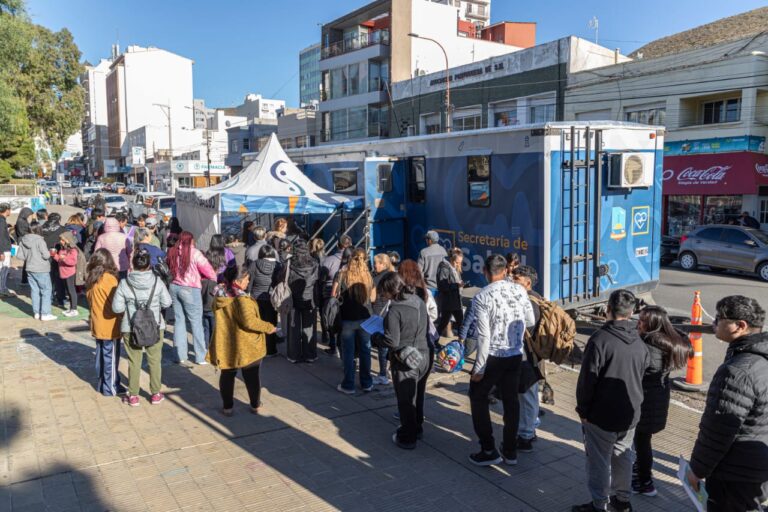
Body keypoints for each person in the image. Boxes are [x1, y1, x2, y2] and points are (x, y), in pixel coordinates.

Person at [687, 295, 768, 511]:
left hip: (733, 472)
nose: (713, 323)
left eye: (719, 319)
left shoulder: (737, 370)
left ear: (740, 326)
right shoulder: (761, 356)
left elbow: (718, 430)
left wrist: (697, 470)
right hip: (757, 465)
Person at [573, 289, 649, 512]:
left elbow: (587, 381)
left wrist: (583, 410)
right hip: (630, 413)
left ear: (607, 309)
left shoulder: (600, 340)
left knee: (598, 462)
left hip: (601, 415)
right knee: (623, 456)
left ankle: (599, 504)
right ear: (631, 312)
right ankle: (622, 500)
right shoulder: (639, 342)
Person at [467, 254, 534, 467]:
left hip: (494, 355)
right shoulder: (519, 290)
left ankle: (488, 449)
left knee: (477, 396)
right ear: (505, 271)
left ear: (485, 272)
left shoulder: (481, 296)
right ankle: (510, 450)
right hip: (515, 354)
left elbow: (484, 336)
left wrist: (479, 368)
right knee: (511, 401)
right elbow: (530, 319)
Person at [632, 306, 692, 497]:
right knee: (643, 441)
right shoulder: (670, 341)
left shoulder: (649, 346)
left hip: (646, 400)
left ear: (653, 324)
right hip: (658, 397)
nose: (638, 323)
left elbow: (637, 372)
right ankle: (641, 471)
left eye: (642, 320)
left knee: (641, 442)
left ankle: (645, 483)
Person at [208, 265, 276, 416]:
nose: (248, 282)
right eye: (246, 279)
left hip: (226, 342)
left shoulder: (220, 293)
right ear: (237, 281)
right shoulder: (242, 299)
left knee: (227, 375)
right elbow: (249, 321)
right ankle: (255, 405)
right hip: (246, 344)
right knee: (251, 376)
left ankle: (227, 407)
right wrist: (269, 327)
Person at [373, 272, 430, 449]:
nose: (382, 296)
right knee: (417, 396)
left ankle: (407, 437)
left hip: (407, 360)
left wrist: (376, 338)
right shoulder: (418, 300)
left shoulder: (395, 310)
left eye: (383, 292)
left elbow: (392, 341)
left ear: (390, 290)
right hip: (424, 355)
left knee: (406, 401)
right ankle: (417, 428)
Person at [111, 249, 172, 406]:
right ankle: (156, 393)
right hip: (155, 325)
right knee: (155, 360)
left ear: (133, 264)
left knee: (134, 361)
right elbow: (167, 302)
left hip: (131, 327)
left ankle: (133, 395)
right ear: (149, 264)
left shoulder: (124, 283)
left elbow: (117, 308)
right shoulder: (157, 282)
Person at [168, 231, 217, 366]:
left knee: (179, 321)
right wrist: (212, 278)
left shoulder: (172, 251)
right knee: (196, 322)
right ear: (191, 240)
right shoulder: (195, 253)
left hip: (174, 287)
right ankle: (200, 356)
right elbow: (209, 271)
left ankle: (180, 355)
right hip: (190, 289)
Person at [510, 265, 544, 453]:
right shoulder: (536, 297)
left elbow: (525, 330)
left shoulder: (530, 302)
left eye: (517, 278)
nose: (513, 280)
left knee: (527, 396)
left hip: (527, 355)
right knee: (529, 395)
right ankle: (530, 428)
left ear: (527, 282)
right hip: (533, 355)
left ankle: (526, 436)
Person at [333, 248, 375, 394]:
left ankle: (348, 384)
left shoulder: (342, 274)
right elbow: (373, 298)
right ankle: (366, 383)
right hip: (365, 318)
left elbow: (334, 294)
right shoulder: (368, 275)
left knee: (348, 352)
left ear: (351, 258)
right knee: (365, 350)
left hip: (347, 317)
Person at [84, 249, 123, 396]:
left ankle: (103, 384)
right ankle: (110, 387)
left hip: (97, 322)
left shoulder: (91, 279)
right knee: (110, 357)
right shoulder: (109, 279)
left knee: (101, 355)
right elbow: (116, 304)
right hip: (110, 324)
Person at [285, 239, 319, 363]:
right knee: (309, 329)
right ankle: (310, 355)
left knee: (293, 328)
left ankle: (293, 355)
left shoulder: (289, 262)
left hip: (293, 298)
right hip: (310, 299)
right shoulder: (314, 263)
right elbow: (317, 280)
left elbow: (284, 278)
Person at [247, 244, 281, 357]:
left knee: (257, 323)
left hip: (256, 298)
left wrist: (248, 293)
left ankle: (257, 349)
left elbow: (250, 281)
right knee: (271, 323)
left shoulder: (254, 264)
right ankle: (271, 350)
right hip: (271, 298)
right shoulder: (277, 265)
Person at [17, 221, 56, 321]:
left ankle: (37, 313)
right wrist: (50, 253)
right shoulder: (40, 240)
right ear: (39, 229)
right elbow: (46, 255)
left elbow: (20, 256)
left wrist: (30, 256)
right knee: (46, 291)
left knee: (35, 291)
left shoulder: (23, 240)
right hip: (42, 269)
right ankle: (45, 313)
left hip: (29, 268)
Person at [319, 236, 352, 353]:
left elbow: (322, 278)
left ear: (338, 245)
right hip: (346, 294)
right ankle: (341, 344)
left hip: (330, 292)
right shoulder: (355, 261)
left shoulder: (328, 260)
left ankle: (333, 345)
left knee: (331, 318)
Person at [372, 253, 396, 385]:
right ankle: (390, 370)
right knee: (391, 343)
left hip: (379, 313)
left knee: (382, 346)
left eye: (375, 263)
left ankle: (382, 374)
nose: (373, 265)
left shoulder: (376, 279)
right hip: (392, 312)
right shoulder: (393, 275)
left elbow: (372, 298)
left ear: (383, 264)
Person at [436, 248, 464, 338]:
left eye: (460, 263)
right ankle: (433, 340)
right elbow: (442, 286)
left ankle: (461, 342)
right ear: (451, 259)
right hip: (448, 301)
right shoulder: (444, 268)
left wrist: (460, 285)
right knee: (444, 323)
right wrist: (457, 285)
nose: (458, 264)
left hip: (456, 301)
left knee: (461, 323)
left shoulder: (454, 268)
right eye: (457, 262)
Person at [41, 213, 67, 308]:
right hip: (57, 256)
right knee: (59, 278)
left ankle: (48, 298)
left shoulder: (42, 228)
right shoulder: (62, 229)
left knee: (47, 278)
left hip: (44, 256)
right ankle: (60, 299)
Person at [52, 231, 80, 317]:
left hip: (70, 273)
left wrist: (64, 258)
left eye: (62, 240)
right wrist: (54, 255)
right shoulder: (63, 249)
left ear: (68, 240)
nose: (61, 241)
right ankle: (71, 308)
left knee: (71, 291)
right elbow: (59, 259)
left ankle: (74, 309)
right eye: (60, 239)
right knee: (68, 291)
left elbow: (73, 262)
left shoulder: (73, 250)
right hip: (63, 272)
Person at [417, 230, 447, 296]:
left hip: (429, 288)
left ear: (430, 240)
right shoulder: (443, 250)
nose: (426, 240)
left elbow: (419, 271)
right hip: (442, 287)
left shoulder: (423, 252)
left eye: (426, 239)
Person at [14, 207, 33, 285]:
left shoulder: (22, 220)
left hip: (24, 240)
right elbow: (22, 232)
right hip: (24, 241)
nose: (29, 216)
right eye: (29, 214)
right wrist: (31, 233)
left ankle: (25, 279)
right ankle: (25, 279)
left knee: (27, 261)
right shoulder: (21, 221)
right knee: (27, 261)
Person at [0, 203, 13, 297]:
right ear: (7, 210)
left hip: (3, 248)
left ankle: (2, 288)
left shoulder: (2, 220)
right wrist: (1, 252)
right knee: (4, 269)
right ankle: (2, 289)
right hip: (3, 249)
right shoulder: (1, 221)